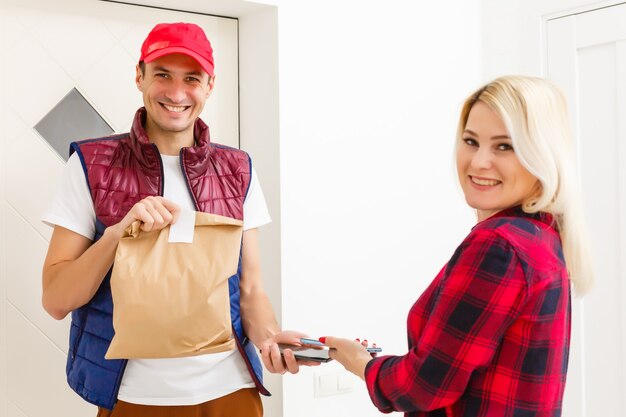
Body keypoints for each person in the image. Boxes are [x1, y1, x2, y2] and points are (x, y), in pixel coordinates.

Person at [41, 22, 310, 416]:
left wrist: (271, 341)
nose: (177, 92)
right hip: (133, 397)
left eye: (192, 78)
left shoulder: (238, 169)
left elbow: (251, 289)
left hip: (232, 393)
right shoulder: (90, 165)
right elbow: (56, 300)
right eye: (163, 75)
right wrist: (117, 234)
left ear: (209, 85)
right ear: (140, 75)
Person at [322, 75, 594, 416]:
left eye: (504, 146)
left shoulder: (499, 246)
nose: (479, 162)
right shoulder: (542, 237)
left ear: (540, 155)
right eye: (471, 141)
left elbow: (422, 387)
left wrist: (358, 361)